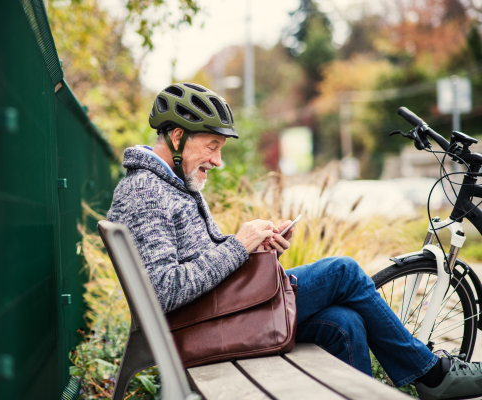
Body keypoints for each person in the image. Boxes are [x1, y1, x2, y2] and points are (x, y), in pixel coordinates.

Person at [107, 82, 482, 400]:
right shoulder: (145, 192)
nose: (218, 161)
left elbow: (199, 259)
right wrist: (239, 246)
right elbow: (163, 291)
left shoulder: (170, 183)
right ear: (177, 136)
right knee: (344, 272)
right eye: (212, 146)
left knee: (344, 322)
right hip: (199, 326)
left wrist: (254, 246)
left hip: (216, 314)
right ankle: (431, 374)